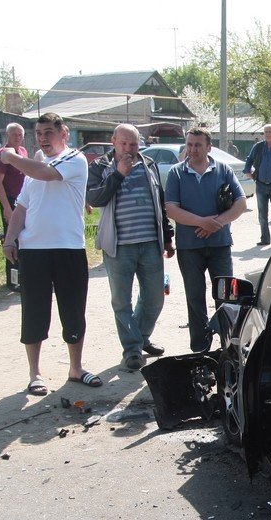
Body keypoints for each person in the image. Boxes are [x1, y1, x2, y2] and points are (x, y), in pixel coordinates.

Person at [0, 113, 98, 396]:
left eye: (48, 133)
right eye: (39, 133)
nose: (43, 138)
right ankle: (35, 373)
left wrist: (9, 157)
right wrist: (9, 239)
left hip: (68, 248)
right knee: (34, 312)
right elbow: (21, 208)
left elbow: (46, 174)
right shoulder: (34, 167)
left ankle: (76, 368)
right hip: (34, 251)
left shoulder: (73, 160)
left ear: (63, 133)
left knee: (73, 310)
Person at [86, 124, 175, 371]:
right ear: (113, 141)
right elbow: (94, 199)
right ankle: (133, 349)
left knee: (155, 298)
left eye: (133, 144)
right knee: (121, 301)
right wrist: (119, 174)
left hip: (150, 243)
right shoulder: (100, 167)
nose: (128, 149)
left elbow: (160, 202)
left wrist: (167, 238)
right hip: (119, 246)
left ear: (140, 144)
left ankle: (141, 337)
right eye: (123, 143)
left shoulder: (149, 165)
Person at [164, 128, 247, 353]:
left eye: (198, 145)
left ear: (209, 147)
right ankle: (200, 350)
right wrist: (201, 222)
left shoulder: (223, 170)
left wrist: (216, 223)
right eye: (189, 145)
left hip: (220, 245)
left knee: (227, 297)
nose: (193, 149)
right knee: (195, 298)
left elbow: (241, 204)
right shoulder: (176, 173)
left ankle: (228, 346)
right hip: (189, 247)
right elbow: (171, 209)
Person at [0, 123, 28, 290]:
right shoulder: (1, 155)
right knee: (11, 238)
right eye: (14, 134)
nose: (17, 137)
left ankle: (22, 276)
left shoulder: (22, 152)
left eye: (20, 134)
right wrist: (6, 207)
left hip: (23, 201)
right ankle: (13, 280)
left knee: (23, 239)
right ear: (7, 135)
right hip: (9, 200)